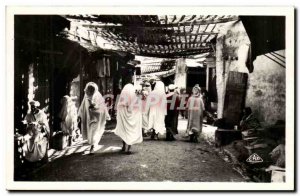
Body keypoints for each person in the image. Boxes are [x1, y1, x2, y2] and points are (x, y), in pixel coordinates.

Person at [78, 82, 111, 154]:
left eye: (91, 90)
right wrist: (79, 115)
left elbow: (102, 107)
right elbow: (82, 106)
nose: (90, 92)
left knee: (94, 131)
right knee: (90, 131)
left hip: (97, 117)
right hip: (89, 117)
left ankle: (92, 147)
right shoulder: (86, 96)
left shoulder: (98, 96)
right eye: (89, 90)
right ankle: (92, 144)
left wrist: (94, 106)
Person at [115, 83, 143, 154]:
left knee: (124, 131)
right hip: (131, 118)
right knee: (130, 131)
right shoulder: (134, 98)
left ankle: (124, 147)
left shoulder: (120, 103)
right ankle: (128, 149)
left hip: (123, 118)